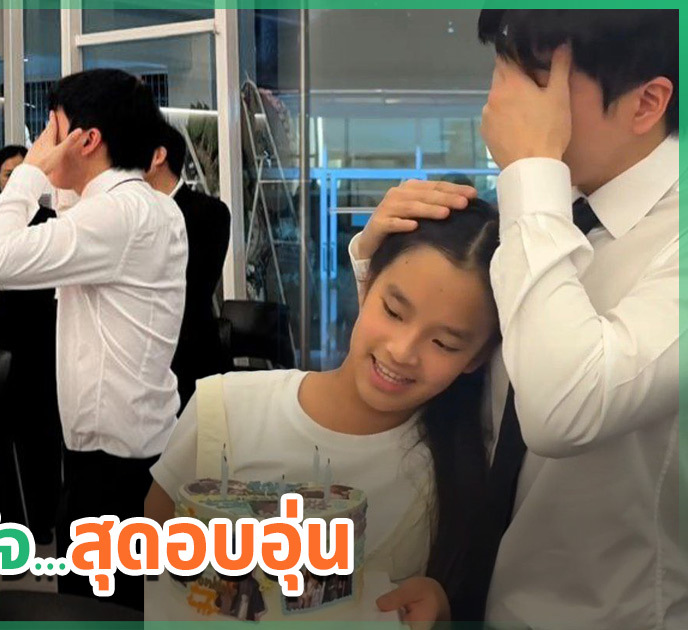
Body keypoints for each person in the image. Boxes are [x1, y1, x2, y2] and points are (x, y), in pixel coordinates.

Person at [350, 10, 682, 628]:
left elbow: (562, 409)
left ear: (646, 103)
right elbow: (454, 358)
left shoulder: (565, 205)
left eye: (536, 81)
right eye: (501, 72)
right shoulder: (550, 204)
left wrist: (532, 170)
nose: (498, 107)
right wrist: (377, 264)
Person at [148, 200, 502, 625]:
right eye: (393, 311)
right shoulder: (223, 408)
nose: (402, 351)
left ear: (476, 358)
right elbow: (154, 576)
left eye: (443, 343)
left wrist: (440, 612)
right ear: (365, 284)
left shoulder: (453, 481)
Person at [0, 69, 187, 610]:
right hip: (133, 447)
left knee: (99, 611)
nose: (44, 142)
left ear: (87, 140)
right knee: (125, 606)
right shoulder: (144, 204)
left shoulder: (116, 214)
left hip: (114, 467)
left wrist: (29, 171)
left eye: (52, 129)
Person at [0, 144, 62, 543]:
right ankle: (7, 521)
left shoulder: (52, 221)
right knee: (3, 435)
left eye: (24, 172)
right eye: (8, 173)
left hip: (43, 335)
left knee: (43, 431)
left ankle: (45, 518)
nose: (16, 180)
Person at [144, 122, 232, 409]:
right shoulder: (132, 213)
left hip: (191, 354)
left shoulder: (210, 212)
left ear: (158, 156)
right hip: (142, 363)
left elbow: (194, 286)